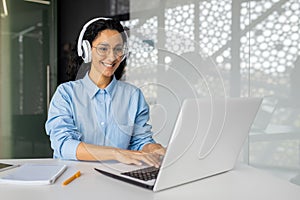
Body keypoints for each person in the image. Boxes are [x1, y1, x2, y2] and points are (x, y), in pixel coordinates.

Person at [45, 17, 165, 168]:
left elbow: (139, 140)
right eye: (103, 48)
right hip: (74, 177)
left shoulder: (133, 95)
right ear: (87, 50)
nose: (112, 57)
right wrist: (116, 153)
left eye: (118, 49)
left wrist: (154, 149)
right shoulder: (66, 93)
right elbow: (63, 145)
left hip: (118, 176)